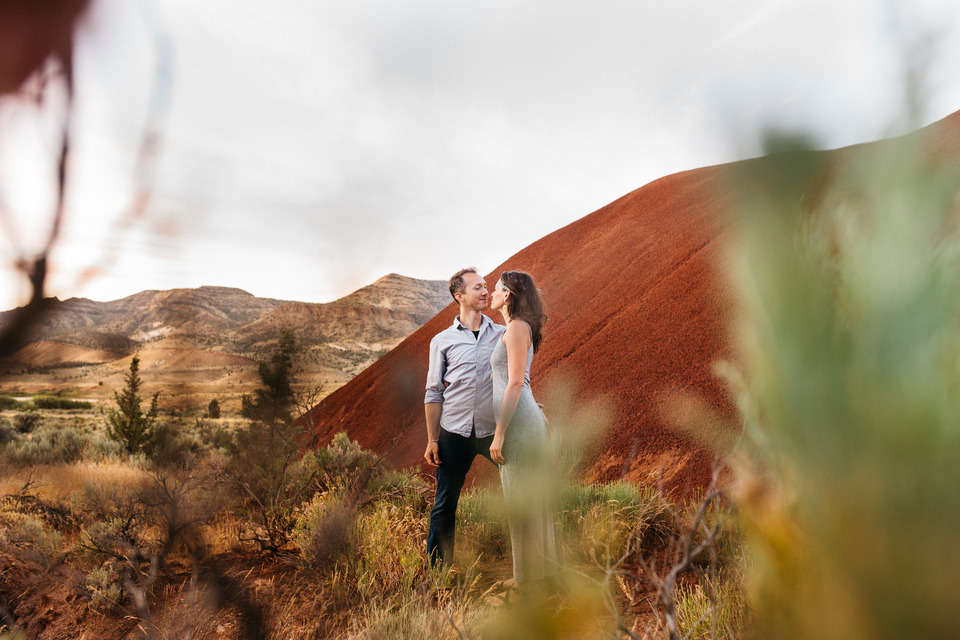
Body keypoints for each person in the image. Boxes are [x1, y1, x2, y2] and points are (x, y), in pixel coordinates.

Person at [424, 267, 505, 569]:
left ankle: (534, 568)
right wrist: (432, 439)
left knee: (524, 490)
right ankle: (439, 575)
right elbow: (434, 392)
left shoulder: (502, 334)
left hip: (495, 432)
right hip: (454, 433)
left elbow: (516, 379)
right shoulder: (441, 341)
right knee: (444, 505)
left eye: (486, 286)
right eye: (478, 288)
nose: (485, 292)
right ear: (459, 296)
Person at [489, 270, 558, 586]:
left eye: (496, 289)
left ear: (507, 295)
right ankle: (534, 574)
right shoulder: (515, 327)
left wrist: (499, 433)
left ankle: (526, 581)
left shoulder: (517, 327)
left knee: (521, 498)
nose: (491, 293)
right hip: (522, 417)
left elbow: (516, 382)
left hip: (516, 424)